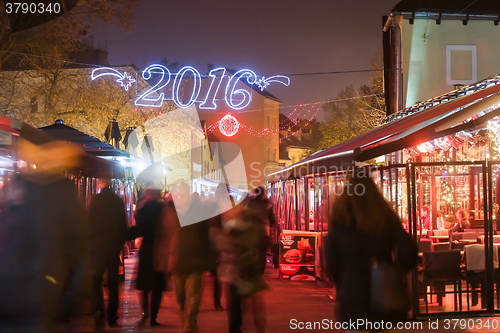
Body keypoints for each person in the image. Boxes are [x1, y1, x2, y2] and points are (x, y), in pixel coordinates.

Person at [0, 140, 87, 332]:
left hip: (11, 287)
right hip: (42, 287)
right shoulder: (63, 191)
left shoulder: (20, 187)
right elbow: (77, 244)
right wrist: (78, 292)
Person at [326, 174, 417, 332]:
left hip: (353, 291)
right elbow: (408, 249)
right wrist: (397, 270)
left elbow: (332, 262)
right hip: (384, 290)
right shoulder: (386, 216)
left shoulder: (340, 219)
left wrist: (342, 278)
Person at [210, 183, 268, 333]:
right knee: (239, 301)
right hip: (238, 269)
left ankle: (239, 327)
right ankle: (240, 327)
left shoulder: (238, 222)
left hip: (239, 268)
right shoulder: (239, 220)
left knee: (240, 301)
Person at [169, 183, 211, 333]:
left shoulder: (200, 212)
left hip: (195, 262)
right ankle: (187, 322)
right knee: (181, 300)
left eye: (182, 195)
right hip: (177, 261)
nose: (179, 198)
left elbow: (206, 238)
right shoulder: (171, 213)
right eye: (177, 195)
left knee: (193, 300)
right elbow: (165, 238)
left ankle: (189, 325)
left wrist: (209, 261)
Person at [88, 178, 127, 329]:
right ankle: (112, 316)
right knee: (113, 283)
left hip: (97, 247)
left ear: (101, 184)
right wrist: (119, 244)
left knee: (96, 281)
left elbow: (89, 223)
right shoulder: (117, 201)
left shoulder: (95, 201)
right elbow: (122, 224)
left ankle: (99, 312)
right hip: (112, 248)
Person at [127, 186, 166, 327]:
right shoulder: (164, 209)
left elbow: (140, 229)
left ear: (149, 195)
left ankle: (145, 313)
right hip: (160, 250)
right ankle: (153, 317)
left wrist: (124, 234)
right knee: (157, 286)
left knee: (144, 286)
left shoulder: (145, 209)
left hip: (147, 250)